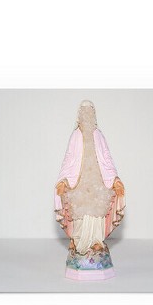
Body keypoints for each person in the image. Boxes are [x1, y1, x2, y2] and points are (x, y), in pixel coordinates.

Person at [54, 100, 125, 266]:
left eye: (89, 110)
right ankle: (79, 242)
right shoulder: (75, 135)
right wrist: (63, 179)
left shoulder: (98, 135)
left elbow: (106, 156)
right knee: (80, 213)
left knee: (97, 212)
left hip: (98, 180)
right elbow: (69, 158)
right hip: (79, 182)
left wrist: (114, 178)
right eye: (84, 110)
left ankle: (96, 242)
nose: (87, 113)